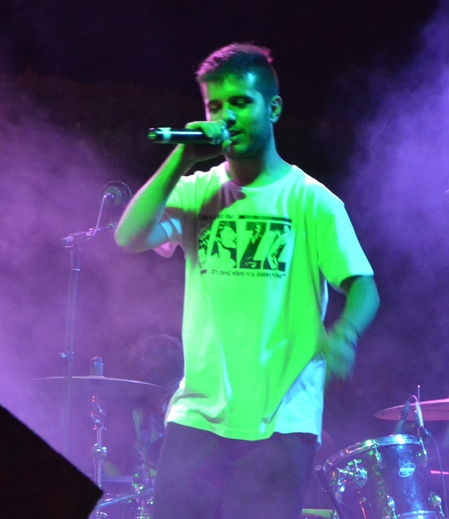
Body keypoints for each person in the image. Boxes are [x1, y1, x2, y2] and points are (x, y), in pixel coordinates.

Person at [115, 43, 379, 519]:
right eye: (215, 105)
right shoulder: (197, 190)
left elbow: (363, 286)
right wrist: (182, 156)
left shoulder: (312, 200)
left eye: (240, 102)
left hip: (282, 418)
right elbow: (129, 236)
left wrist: (345, 334)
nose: (226, 116)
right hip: (198, 413)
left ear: (273, 108)